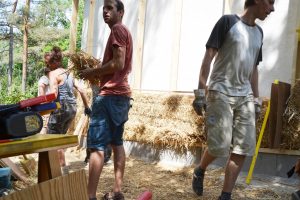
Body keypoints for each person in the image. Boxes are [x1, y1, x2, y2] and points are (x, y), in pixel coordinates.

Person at [192, 1, 275, 199]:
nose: (272, 8)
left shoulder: (259, 33)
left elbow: (254, 68)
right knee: (219, 146)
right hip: (220, 91)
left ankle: (225, 195)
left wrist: (256, 99)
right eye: (270, 2)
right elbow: (208, 59)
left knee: (244, 146)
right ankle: (200, 169)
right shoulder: (227, 22)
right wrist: (200, 93)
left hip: (244, 95)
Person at [78, 0, 133, 199]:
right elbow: (118, 65)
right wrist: (99, 73)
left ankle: (90, 196)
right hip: (122, 96)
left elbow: (118, 63)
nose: (105, 11)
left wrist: (93, 70)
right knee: (117, 143)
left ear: (121, 12)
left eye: (110, 8)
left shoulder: (118, 29)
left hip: (109, 96)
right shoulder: (122, 31)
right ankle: (117, 192)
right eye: (104, 8)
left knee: (97, 147)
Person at [47, 46, 91, 175]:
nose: (48, 66)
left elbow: (54, 95)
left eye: (48, 63)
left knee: (53, 139)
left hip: (61, 108)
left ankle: (62, 170)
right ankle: (61, 168)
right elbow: (82, 90)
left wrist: (42, 105)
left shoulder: (53, 74)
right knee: (60, 138)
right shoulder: (68, 73)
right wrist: (87, 107)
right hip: (72, 108)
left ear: (53, 62)